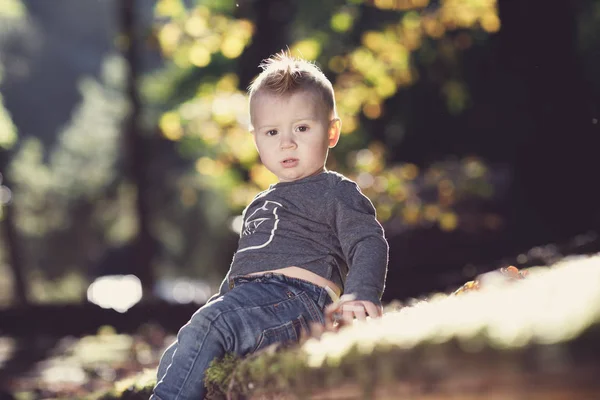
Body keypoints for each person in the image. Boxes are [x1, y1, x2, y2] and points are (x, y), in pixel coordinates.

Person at [151, 51, 389, 400]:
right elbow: (242, 271)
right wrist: (221, 302)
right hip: (253, 303)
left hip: (298, 301)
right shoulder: (258, 204)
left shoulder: (335, 189)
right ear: (257, 140)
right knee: (178, 352)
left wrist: (360, 292)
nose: (287, 142)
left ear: (332, 131)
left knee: (210, 324)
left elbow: (369, 241)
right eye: (272, 131)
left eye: (302, 128)